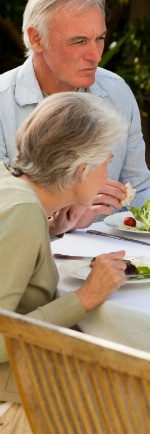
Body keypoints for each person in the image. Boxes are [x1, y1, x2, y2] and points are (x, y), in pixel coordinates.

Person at [0, 0, 150, 236]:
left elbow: (137, 191)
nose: (95, 55)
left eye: (100, 38)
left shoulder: (116, 91)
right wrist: (54, 223)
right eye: (79, 41)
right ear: (36, 38)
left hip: (115, 259)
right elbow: (6, 212)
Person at [0, 93, 132, 427]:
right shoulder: (24, 213)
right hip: (15, 401)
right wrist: (85, 298)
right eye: (106, 164)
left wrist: (51, 228)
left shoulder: (10, 183)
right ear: (82, 170)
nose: (108, 176)